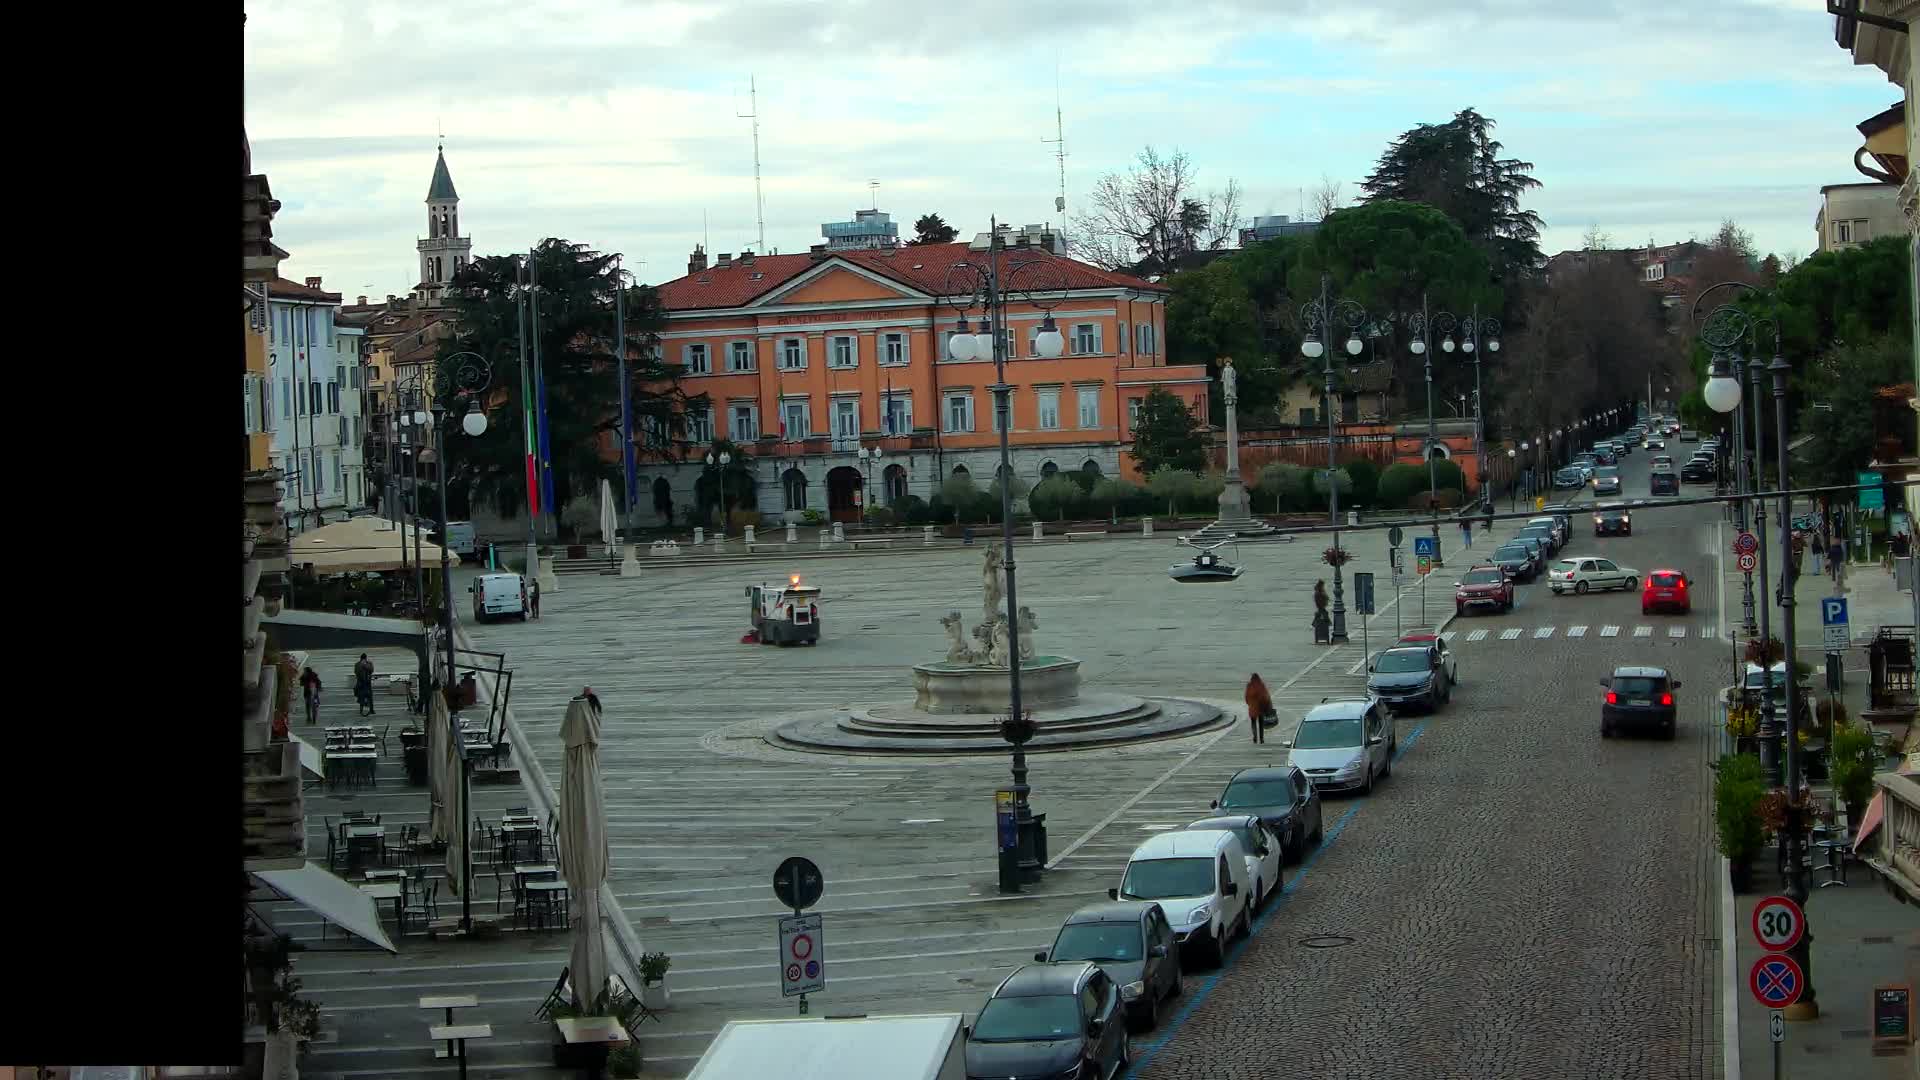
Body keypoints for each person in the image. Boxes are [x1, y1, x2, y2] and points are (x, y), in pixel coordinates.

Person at [1245, 673, 1274, 744]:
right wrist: (1268, 705)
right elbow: (1265, 696)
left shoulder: (1249, 686)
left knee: (1253, 723)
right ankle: (1261, 738)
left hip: (1252, 708)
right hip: (1261, 708)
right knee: (1261, 724)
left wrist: (1250, 704)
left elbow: (1246, 696)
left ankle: (1255, 737)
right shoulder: (1261, 685)